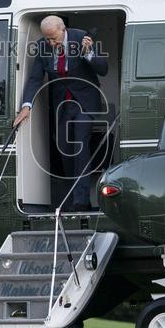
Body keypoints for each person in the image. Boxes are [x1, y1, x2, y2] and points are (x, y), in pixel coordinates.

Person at [13, 15, 108, 212]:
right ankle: (72, 194)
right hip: (61, 104)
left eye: (54, 38)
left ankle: (81, 202)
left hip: (84, 101)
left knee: (80, 146)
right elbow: (35, 78)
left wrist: (88, 53)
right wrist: (26, 105)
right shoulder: (42, 46)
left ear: (63, 29)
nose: (51, 43)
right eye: (47, 39)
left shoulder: (81, 38)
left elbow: (103, 69)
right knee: (64, 148)